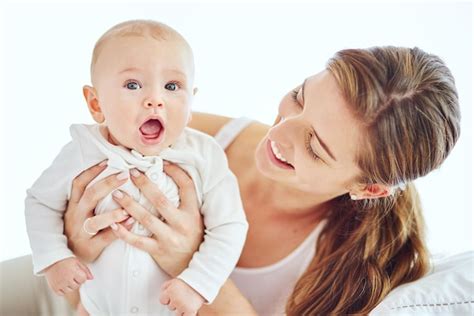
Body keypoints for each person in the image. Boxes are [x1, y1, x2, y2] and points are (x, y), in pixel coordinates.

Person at [62, 46, 461, 315]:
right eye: (299, 98)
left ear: (368, 188)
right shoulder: (189, 138)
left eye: (315, 146)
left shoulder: (354, 269)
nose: (280, 133)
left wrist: (192, 262)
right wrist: (80, 241)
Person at [24, 20, 248, 316]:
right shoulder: (82, 150)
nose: (155, 100)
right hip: (96, 308)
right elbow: (40, 202)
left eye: (172, 86)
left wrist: (197, 283)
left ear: (191, 102)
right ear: (96, 103)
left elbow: (230, 227)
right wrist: (55, 258)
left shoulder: (204, 156)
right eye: (132, 85)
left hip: (170, 307)